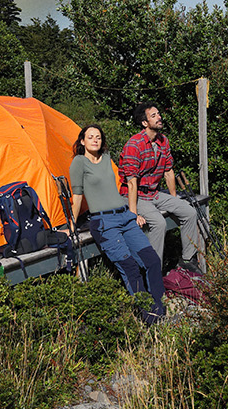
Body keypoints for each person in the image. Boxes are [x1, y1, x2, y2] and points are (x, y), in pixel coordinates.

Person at [68, 123, 165, 323]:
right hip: (104, 222)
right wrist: (71, 225)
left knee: (152, 261)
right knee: (130, 268)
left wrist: (133, 213)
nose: (95, 140)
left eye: (98, 137)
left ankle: (159, 310)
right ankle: (150, 318)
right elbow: (77, 196)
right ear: (82, 141)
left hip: (124, 216)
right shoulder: (79, 162)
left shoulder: (106, 159)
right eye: (91, 136)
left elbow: (118, 189)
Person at [119, 103, 205, 273]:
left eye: (159, 114)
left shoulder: (163, 141)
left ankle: (187, 259)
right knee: (158, 223)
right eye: (153, 115)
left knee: (189, 212)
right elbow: (131, 182)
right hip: (136, 195)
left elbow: (168, 172)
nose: (159, 117)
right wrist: (133, 214)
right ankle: (153, 271)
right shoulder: (134, 145)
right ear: (144, 123)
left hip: (154, 193)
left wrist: (174, 200)